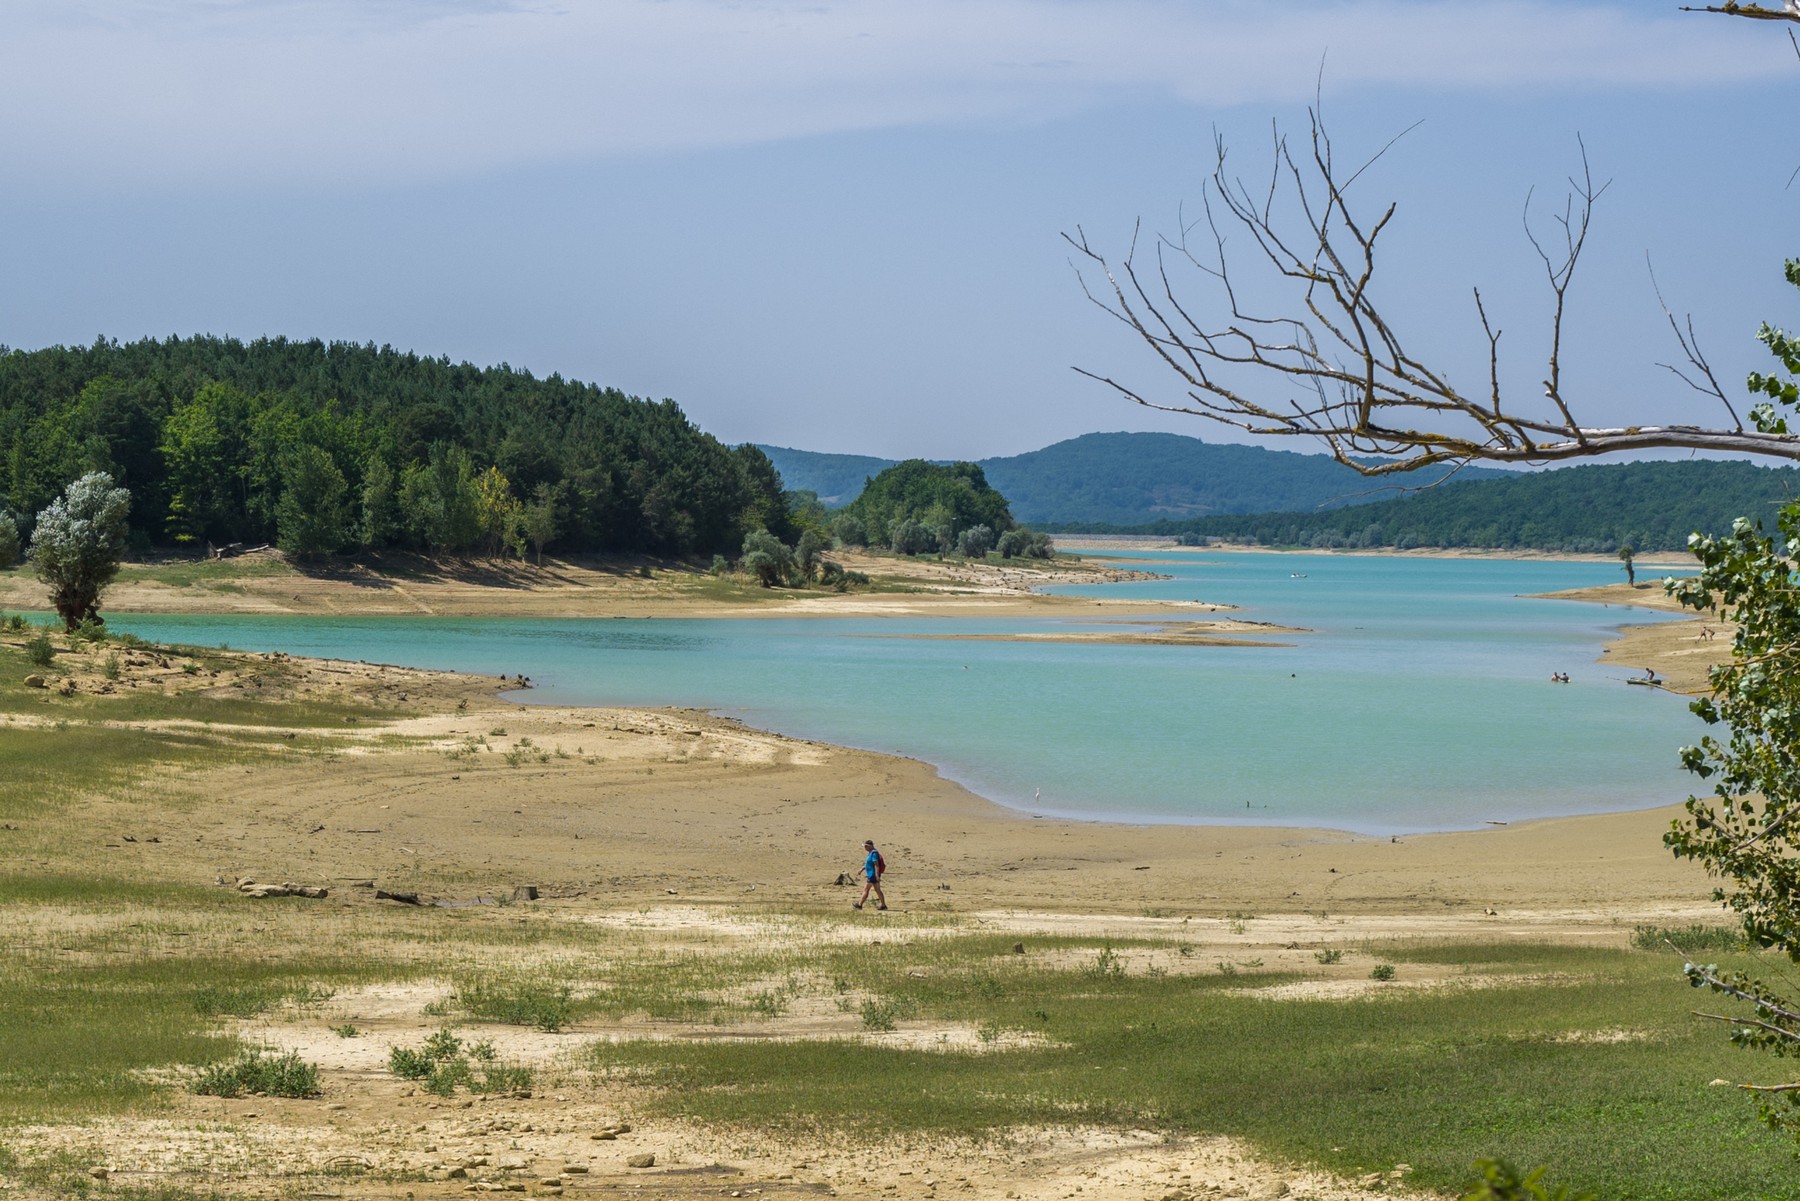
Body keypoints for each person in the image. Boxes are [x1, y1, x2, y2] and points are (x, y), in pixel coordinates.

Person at [854, 839, 887, 911]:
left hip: (872, 875)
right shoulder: (870, 853)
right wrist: (861, 869)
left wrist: (877, 875)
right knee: (877, 890)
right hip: (872, 874)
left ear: (870, 846)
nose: (865, 848)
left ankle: (860, 905)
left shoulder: (874, 853)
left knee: (866, 889)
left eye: (866, 846)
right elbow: (868, 863)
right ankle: (883, 905)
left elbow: (876, 865)